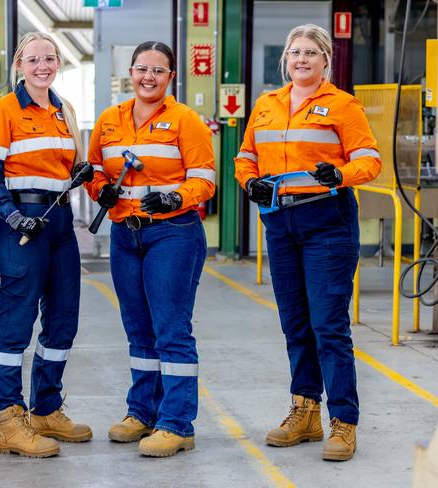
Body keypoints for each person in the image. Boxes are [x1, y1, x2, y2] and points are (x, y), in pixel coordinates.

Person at [235, 24, 381, 462]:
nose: (302, 59)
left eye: (311, 53)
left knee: (328, 326)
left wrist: (341, 175)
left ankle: (344, 422)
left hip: (327, 222)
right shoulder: (266, 105)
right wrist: (250, 184)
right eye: (295, 52)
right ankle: (305, 411)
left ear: (325, 62)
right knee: (295, 324)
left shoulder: (343, 105)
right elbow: (246, 156)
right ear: (286, 59)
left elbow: (369, 159)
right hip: (280, 222)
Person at [86, 41, 215, 458]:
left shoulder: (185, 121)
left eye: (158, 71)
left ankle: (177, 423)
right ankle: (142, 412)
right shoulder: (110, 120)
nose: (149, 77)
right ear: (131, 71)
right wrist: (100, 188)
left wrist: (176, 199)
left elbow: (204, 180)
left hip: (173, 233)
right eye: (142, 68)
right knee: (138, 329)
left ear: (171, 77)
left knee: (170, 329)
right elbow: (94, 171)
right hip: (126, 234)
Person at [0, 32, 93, 458]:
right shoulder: (3, 110)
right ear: (19, 64)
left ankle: (46, 408)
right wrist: (10, 214)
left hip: (60, 222)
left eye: (50, 58)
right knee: (16, 323)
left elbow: (71, 165)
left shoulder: (63, 109)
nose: (42, 66)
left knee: (63, 320)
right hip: (21, 223)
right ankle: (10, 418)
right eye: (33, 59)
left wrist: (84, 172)